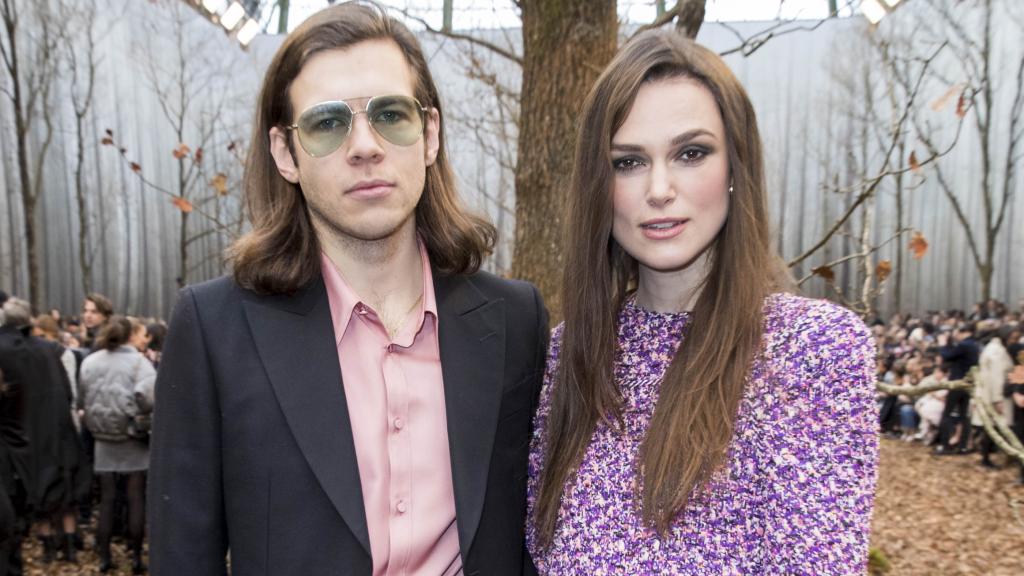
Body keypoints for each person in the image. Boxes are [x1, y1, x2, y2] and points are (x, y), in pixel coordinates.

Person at [148, 2, 549, 574]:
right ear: (286, 153)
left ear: (429, 135)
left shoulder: (515, 319)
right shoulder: (215, 331)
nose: (365, 145)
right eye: (328, 122)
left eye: (391, 114)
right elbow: (183, 556)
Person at [526, 30, 878, 574]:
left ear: (736, 167)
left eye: (691, 153)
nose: (659, 188)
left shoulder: (813, 349)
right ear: (599, 186)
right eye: (628, 162)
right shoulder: (569, 353)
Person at [79, 316, 156, 574]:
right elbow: (148, 399)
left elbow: (83, 397)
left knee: (108, 500)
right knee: (135, 499)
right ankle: (135, 557)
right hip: (132, 439)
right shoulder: (139, 364)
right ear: (129, 336)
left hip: (103, 439)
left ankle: (104, 557)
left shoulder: (90, 362)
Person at [934, 323, 980, 454]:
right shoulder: (974, 345)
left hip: (957, 383)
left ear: (963, 332)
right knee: (963, 416)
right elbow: (954, 354)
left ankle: (945, 446)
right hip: (967, 384)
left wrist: (942, 343)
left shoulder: (964, 345)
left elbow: (946, 356)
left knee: (947, 414)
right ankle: (963, 446)